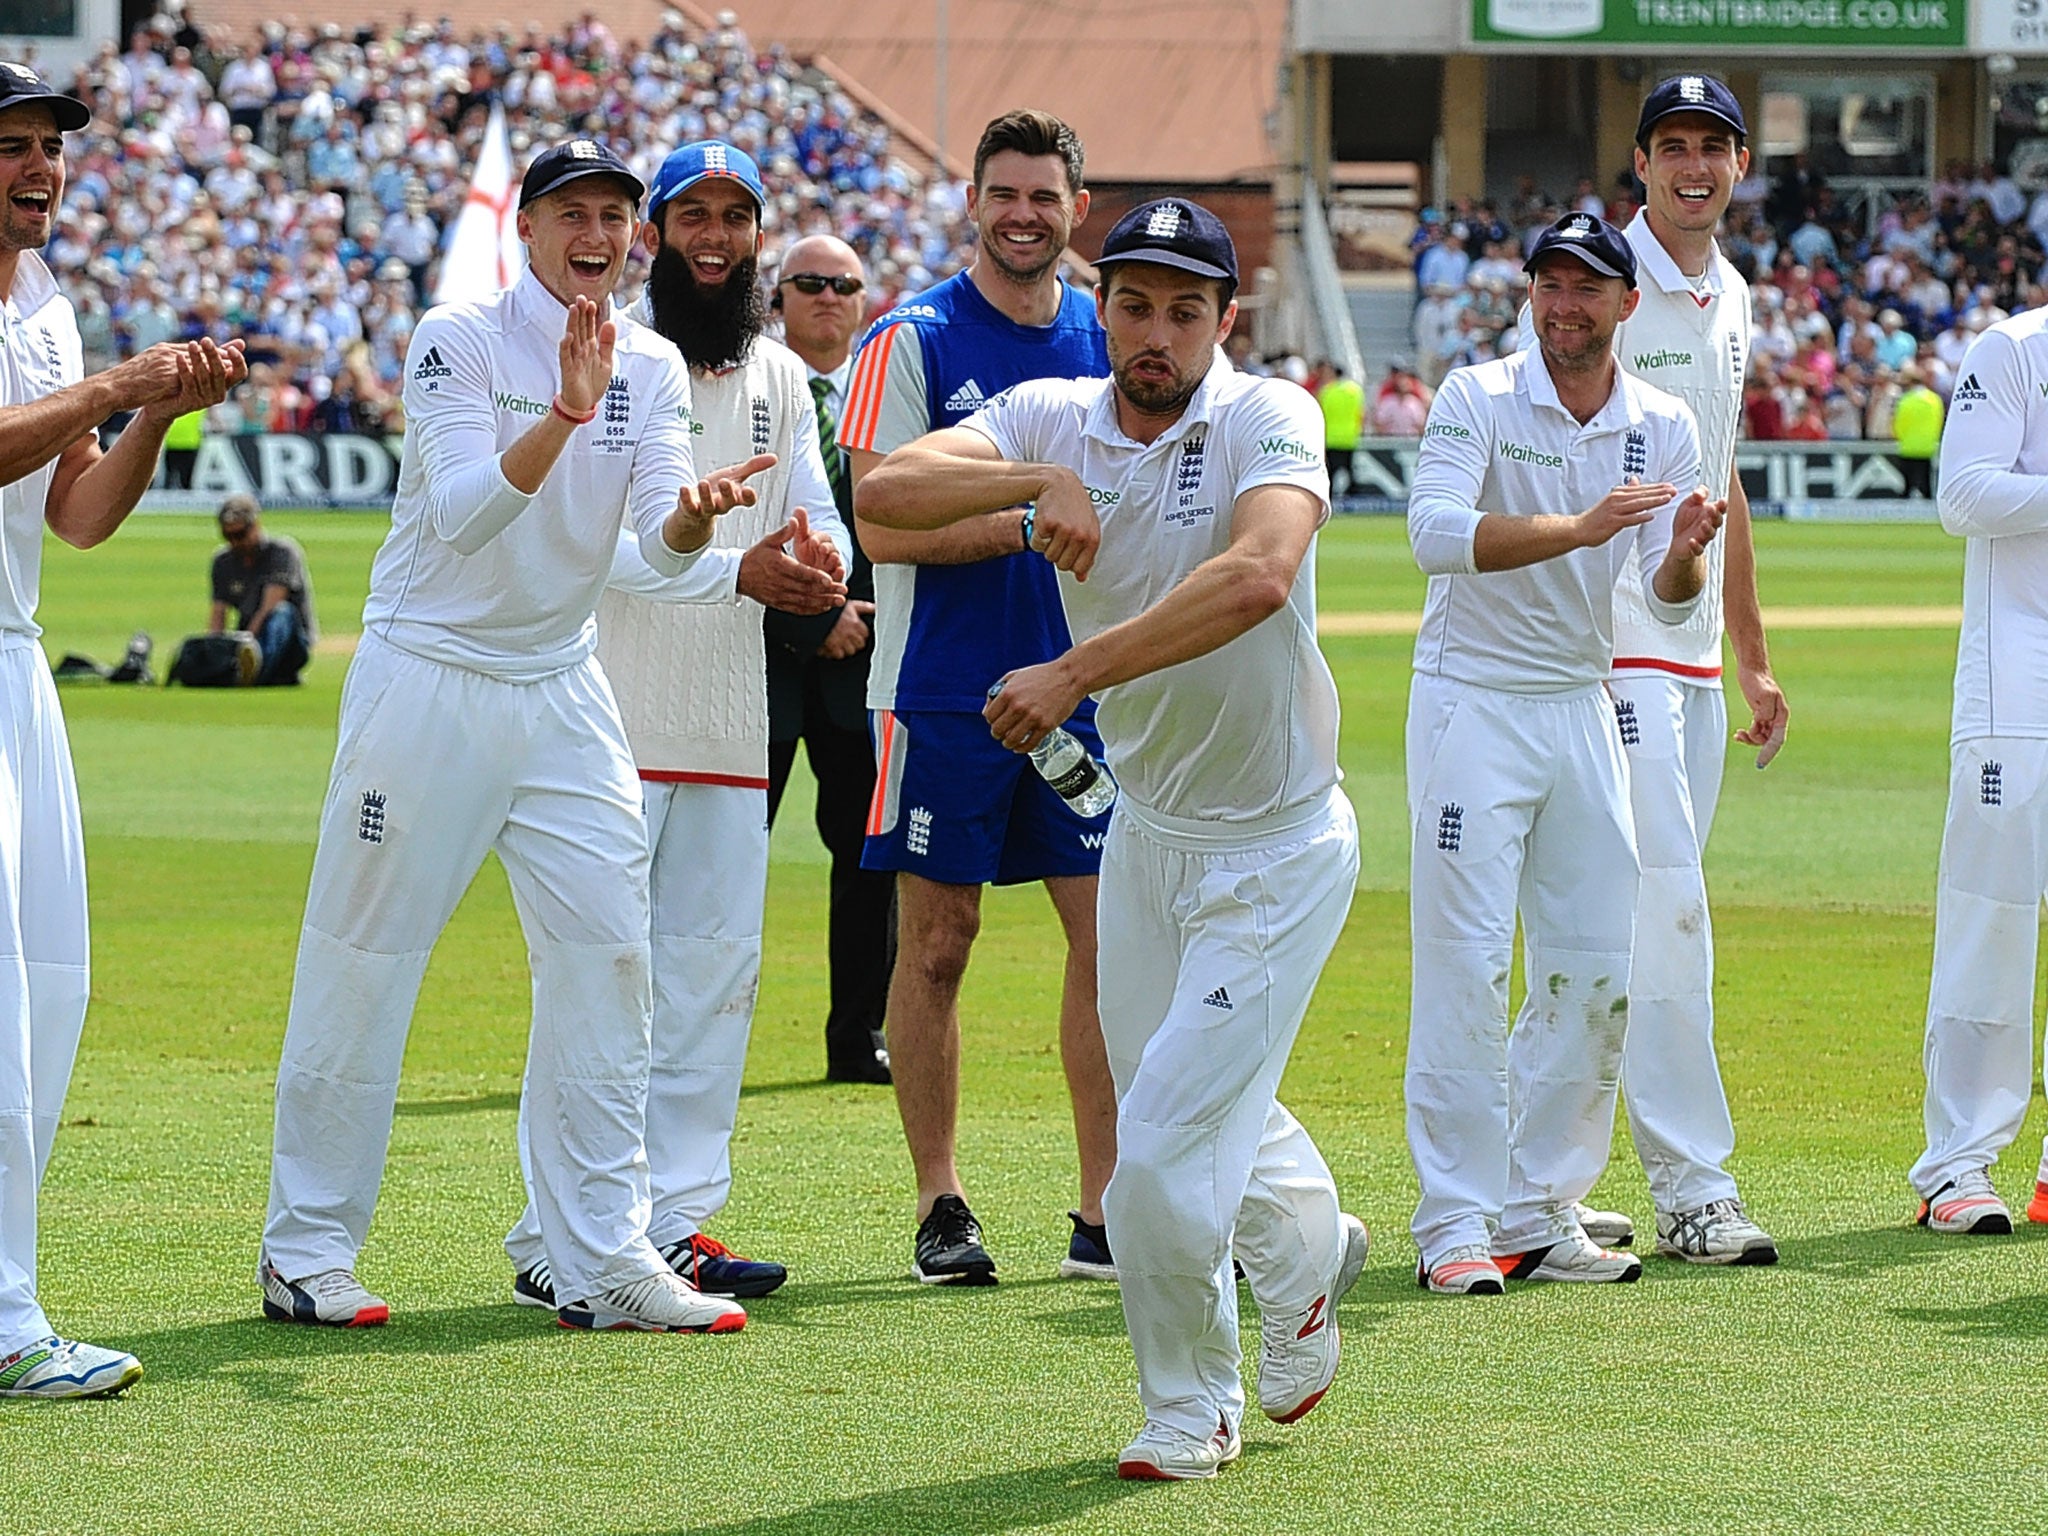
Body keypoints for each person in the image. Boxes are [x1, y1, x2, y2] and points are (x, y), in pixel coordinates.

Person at [859, 197, 1368, 1481]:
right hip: (1151, 836)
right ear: (1106, 307)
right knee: (1195, 1108)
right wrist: (1036, 484)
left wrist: (1072, 668)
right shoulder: (1055, 416)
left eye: (1184, 310)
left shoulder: (1267, 415)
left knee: (1152, 1154)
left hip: (1278, 840)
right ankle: (1308, 1248)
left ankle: (1190, 1406)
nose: (1154, 333)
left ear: (1222, 321)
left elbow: (1255, 578)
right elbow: (889, 489)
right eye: (1133, 305)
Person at [259, 137, 784, 1336]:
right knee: (366, 959)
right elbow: (462, 515)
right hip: (427, 676)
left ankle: (600, 1255)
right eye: (570, 214)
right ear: (529, 229)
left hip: (558, 685)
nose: (595, 236)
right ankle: (306, 1251)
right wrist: (560, 410)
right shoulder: (457, 336)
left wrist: (698, 522)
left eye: (613, 215)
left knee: (610, 960)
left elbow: (653, 543)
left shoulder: (646, 363)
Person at [502, 140, 850, 1311]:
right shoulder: (612, 359)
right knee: (597, 978)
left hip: (727, 715)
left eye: (733, 218)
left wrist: (815, 563)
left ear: (757, 236)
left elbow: (813, 517)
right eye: (690, 215)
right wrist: (732, 565)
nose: (712, 238)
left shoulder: (780, 376)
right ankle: (555, 1234)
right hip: (599, 708)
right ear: (654, 234)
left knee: (712, 977)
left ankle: (676, 1220)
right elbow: (578, 538)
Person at [1405, 212, 1723, 1296]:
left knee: (1595, 965)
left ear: (1626, 305)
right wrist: (1582, 529)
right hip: (1471, 704)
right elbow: (1432, 535)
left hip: (1579, 704)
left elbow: (1665, 600)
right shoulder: (1478, 396)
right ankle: (1451, 1221)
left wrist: (1678, 556)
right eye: (1548, 283)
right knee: (1463, 963)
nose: (1563, 304)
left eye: (1587, 287)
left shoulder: (1660, 422)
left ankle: (1535, 1209)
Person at [1511, 75, 1790, 1266]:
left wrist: (1751, 659)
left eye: (1711, 148)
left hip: (1682, 655)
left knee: (1611, 924)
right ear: (1638, 163)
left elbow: (1715, 488)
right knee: (1657, 917)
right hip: (1605, 645)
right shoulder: (1591, 283)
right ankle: (1690, 1187)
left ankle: (1536, 1184)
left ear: (1737, 166)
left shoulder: (1727, 294)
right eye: (1670, 146)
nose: (1691, 166)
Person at [0, 60, 247, 1398]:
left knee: (54, 983)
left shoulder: (43, 299)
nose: (39, 167)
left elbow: (75, 518)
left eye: (48, 144)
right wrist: (115, 384)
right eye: (13, 145)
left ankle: (6, 1293)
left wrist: (154, 409)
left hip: (17, 658)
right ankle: (6, 1322)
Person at [841, 109, 1118, 1287]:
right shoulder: (908, 339)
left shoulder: (1118, 332)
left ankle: (1104, 1210)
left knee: (1111, 940)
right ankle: (937, 1199)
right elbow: (875, 519)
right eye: (1002, 194)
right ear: (970, 202)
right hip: (937, 687)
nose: (1022, 215)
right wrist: (1023, 519)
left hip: (1093, 687)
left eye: (1043, 198)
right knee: (939, 942)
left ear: (1075, 210)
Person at [1908, 304, 2048, 1236]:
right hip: (2020, 680)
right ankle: (1957, 1163)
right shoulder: (2016, 347)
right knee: (1992, 923)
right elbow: (1963, 494)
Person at [768, 232, 894, 1085]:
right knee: (719, 865)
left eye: (842, 283)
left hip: (866, 664)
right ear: (778, 298)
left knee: (867, 868)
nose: (826, 296)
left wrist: (856, 623)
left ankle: (858, 1040)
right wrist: (817, 623)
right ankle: (680, 1045)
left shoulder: (888, 402)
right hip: (759, 663)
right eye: (808, 282)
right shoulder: (751, 388)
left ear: (862, 300)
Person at [208, 493, 316, 685]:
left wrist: (247, 645)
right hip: (247, 638)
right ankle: (241, 669)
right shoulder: (222, 562)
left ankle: (256, 673)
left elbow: (269, 607)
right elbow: (218, 613)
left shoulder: (282, 553)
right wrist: (214, 650)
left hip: (289, 642)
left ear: (255, 526)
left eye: (240, 535)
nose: (234, 542)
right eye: (228, 536)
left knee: (282, 613)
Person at [1892, 364, 1943, 499]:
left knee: (1907, 482)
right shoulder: (1934, 399)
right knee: (1926, 480)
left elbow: (1899, 423)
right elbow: (1939, 421)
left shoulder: (1905, 400)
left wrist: (1900, 437)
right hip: (1928, 445)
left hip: (1908, 445)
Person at [1315, 364, 1363, 498]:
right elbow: (1360, 413)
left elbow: (1321, 412)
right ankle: (1354, 497)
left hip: (1331, 438)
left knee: (1330, 473)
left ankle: (1327, 498)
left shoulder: (1327, 391)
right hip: (1350, 437)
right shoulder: (1355, 391)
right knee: (1350, 470)